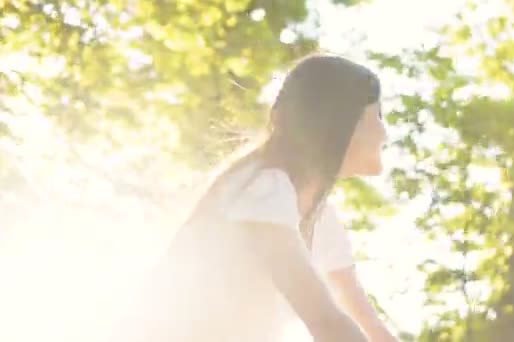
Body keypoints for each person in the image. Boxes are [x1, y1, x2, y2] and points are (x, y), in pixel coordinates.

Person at [109, 54, 396, 342]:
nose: (385, 132)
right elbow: (324, 320)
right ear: (342, 126)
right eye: (378, 115)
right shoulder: (267, 192)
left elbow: (371, 328)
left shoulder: (318, 216)